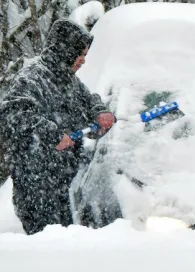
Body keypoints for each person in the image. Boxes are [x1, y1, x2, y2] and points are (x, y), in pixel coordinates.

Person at [0, 19, 115, 235]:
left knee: (67, 246)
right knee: (49, 247)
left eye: (86, 55)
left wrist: (100, 112)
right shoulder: (32, 78)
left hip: (66, 181)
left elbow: (88, 100)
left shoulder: (67, 79)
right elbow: (12, 114)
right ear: (65, 50)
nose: (83, 61)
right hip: (38, 185)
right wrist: (52, 134)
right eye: (80, 54)